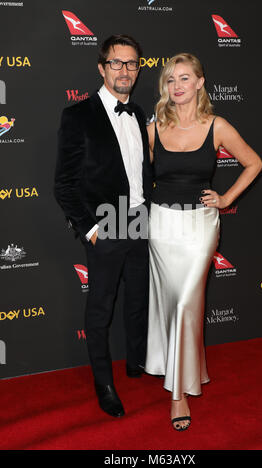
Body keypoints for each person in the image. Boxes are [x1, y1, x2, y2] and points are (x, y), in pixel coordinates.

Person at [144, 53, 262, 431]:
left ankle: (179, 393)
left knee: (185, 302)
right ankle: (179, 370)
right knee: (172, 303)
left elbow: (254, 162)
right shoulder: (154, 127)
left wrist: (227, 199)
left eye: (184, 79)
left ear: (199, 83)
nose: (176, 86)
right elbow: (136, 174)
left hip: (200, 226)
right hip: (162, 225)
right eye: (170, 81)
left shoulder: (218, 126)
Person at [54, 35, 153, 418]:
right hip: (106, 226)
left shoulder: (140, 111)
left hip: (141, 220)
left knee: (137, 299)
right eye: (116, 63)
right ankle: (103, 382)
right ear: (101, 67)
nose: (124, 70)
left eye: (131, 63)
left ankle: (135, 361)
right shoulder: (78, 115)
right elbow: (63, 184)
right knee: (101, 308)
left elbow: (140, 172)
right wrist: (90, 229)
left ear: (138, 69)